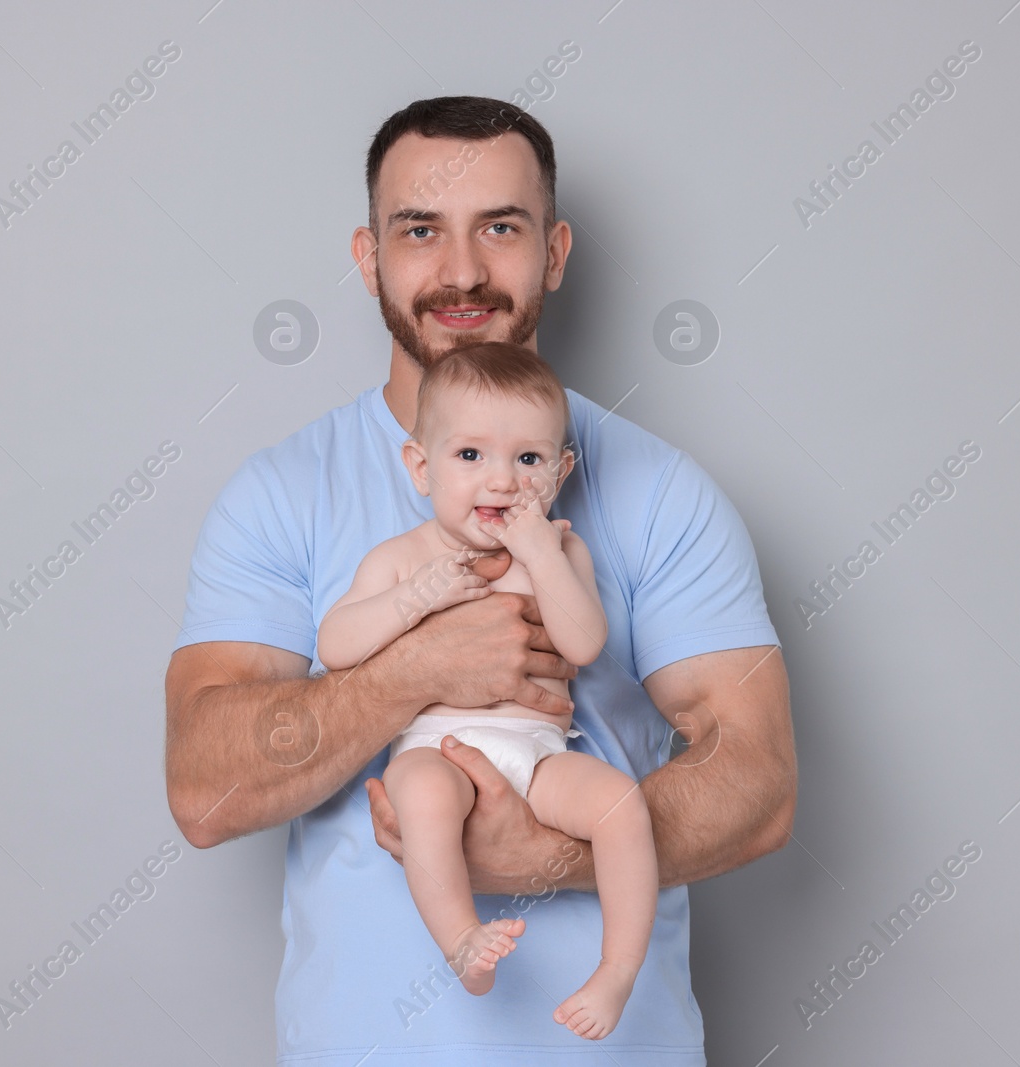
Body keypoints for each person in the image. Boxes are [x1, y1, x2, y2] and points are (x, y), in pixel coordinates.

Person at [165, 95, 796, 1065]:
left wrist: (543, 857)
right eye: (419, 230)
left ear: (554, 252)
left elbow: (757, 784)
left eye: (500, 228)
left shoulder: (663, 490)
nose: (460, 271)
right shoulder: (282, 491)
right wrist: (414, 671)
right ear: (368, 256)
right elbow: (203, 788)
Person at [317, 342, 657, 1040]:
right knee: (422, 795)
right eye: (470, 455)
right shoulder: (403, 558)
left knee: (622, 805)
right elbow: (336, 645)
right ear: (421, 466)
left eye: (528, 460)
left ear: (561, 471)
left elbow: (583, 642)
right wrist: (411, 601)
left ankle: (617, 969)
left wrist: (541, 556)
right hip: (436, 747)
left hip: (536, 755)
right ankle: (462, 941)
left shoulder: (562, 553)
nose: (501, 481)